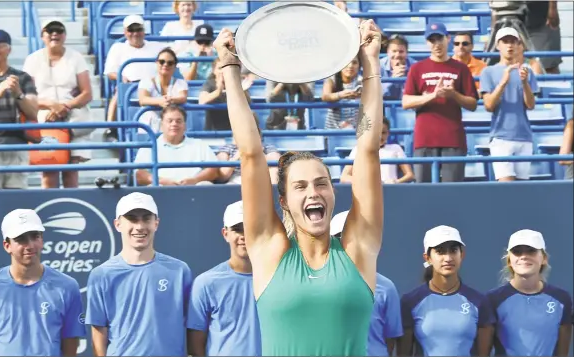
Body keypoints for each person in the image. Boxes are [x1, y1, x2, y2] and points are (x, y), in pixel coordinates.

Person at [212, 19, 384, 356]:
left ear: (334, 192)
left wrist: (370, 63)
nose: (313, 193)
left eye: (322, 184)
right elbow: (250, 154)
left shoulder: (357, 248)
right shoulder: (269, 249)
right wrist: (230, 69)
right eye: (301, 186)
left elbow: (367, 148)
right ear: (284, 201)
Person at [85, 192, 192, 356]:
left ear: (156, 223)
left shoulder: (179, 271)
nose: (140, 226)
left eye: (146, 218)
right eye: (132, 219)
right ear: (118, 224)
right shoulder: (101, 275)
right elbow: (99, 330)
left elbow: (192, 326)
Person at [0, 209, 85, 356]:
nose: (30, 245)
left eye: (35, 237)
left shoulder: (67, 286)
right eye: (21, 239)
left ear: (42, 240)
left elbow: (70, 344)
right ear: (7, 245)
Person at [398, 225, 495, 356]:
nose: (448, 258)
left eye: (453, 250)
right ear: (427, 258)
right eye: (440, 251)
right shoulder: (410, 301)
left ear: (462, 254)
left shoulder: (479, 301)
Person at [402, 23, 478, 183]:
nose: (436, 44)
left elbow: (472, 103)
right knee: (424, 189)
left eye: (440, 39)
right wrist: (432, 96)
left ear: (448, 39)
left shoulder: (461, 68)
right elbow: (406, 102)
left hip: (452, 137)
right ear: (427, 43)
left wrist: (453, 94)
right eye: (432, 40)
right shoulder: (417, 68)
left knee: (453, 190)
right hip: (425, 138)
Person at [23, 19, 94, 189]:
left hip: (73, 120)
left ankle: (71, 210)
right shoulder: (33, 60)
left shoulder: (76, 57)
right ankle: (51, 212)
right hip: (45, 120)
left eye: (59, 30)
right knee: (49, 171)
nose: (54, 34)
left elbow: (87, 93)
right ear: (42, 35)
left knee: (71, 171)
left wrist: (66, 106)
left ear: (65, 35)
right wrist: (51, 105)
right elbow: (26, 97)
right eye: (50, 30)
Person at [186, 201, 261, 356]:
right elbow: (195, 345)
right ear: (225, 234)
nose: (243, 236)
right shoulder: (206, 283)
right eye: (237, 230)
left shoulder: (279, 279)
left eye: (249, 228)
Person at [486, 229, 573, 356]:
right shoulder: (492, 300)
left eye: (531, 251)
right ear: (510, 260)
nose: (524, 256)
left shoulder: (562, 299)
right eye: (517, 252)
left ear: (544, 258)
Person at [330, 211, 403, 356]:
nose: (349, 244)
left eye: (356, 238)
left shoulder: (386, 288)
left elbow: (391, 338)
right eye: (341, 238)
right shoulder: (317, 285)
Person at [0, 29, 39, 190]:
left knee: (17, 202)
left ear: (9, 49)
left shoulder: (23, 77)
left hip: (17, 146)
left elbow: (33, 113)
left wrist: (18, 94)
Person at [480, 27, 538, 182]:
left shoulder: (527, 71)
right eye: (505, 42)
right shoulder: (488, 72)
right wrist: (503, 82)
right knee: (507, 188)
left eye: (513, 41)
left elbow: (531, 105)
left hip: (524, 136)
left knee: (522, 191)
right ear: (498, 45)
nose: (510, 45)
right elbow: (489, 105)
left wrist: (525, 83)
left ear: (519, 45)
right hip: (501, 138)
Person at [340, 117, 414, 184]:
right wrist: (364, 182)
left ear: (388, 133)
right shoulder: (358, 149)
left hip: (391, 190)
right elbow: (344, 177)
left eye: (383, 132)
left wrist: (396, 182)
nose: (380, 136)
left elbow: (409, 175)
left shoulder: (396, 148)